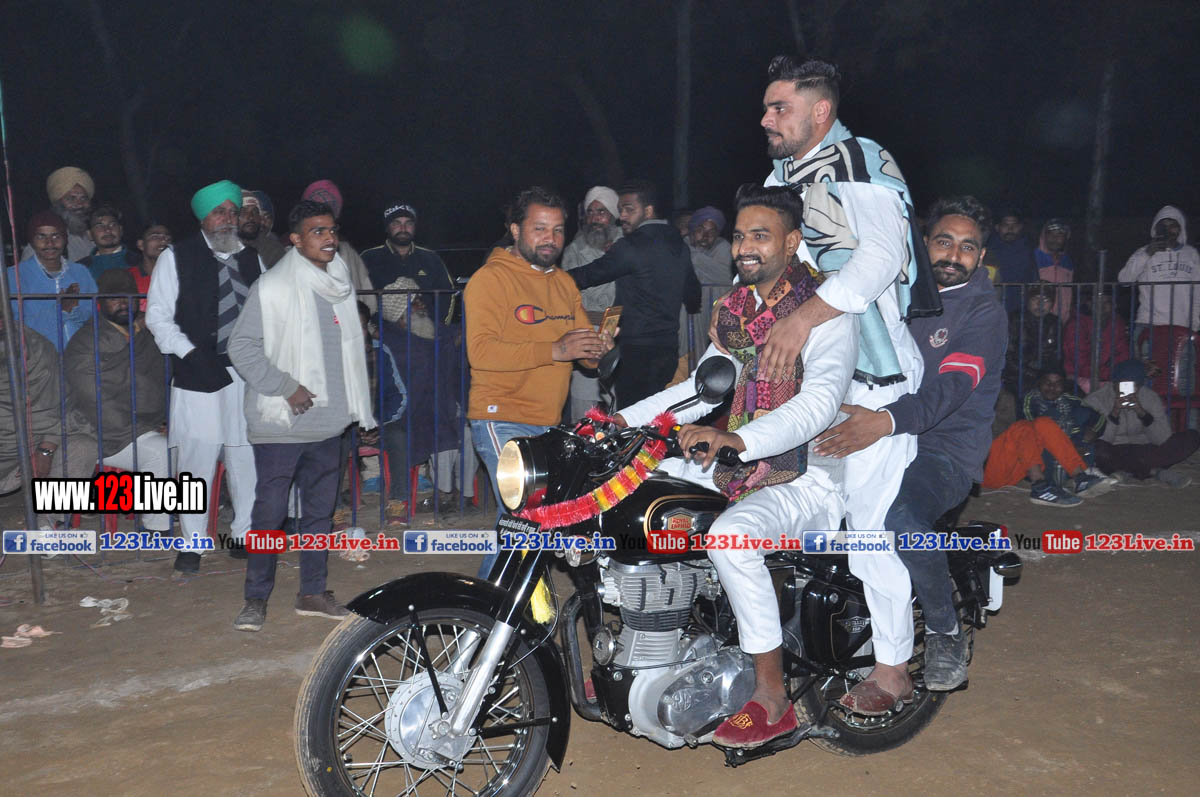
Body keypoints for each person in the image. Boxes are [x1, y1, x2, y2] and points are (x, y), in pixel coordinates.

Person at [618, 185, 857, 748]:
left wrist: (736, 439)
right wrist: (616, 422)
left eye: (761, 236)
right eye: (741, 235)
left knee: (731, 539)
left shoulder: (824, 310)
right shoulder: (736, 312)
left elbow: (819, 404)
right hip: (738, 461)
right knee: (639, 499)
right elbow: (700, 390)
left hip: (808, 472)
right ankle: (644, 653)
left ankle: (772, 696)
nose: (745, 246)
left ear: (791, 243)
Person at [748, 55, 939, 686]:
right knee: (797, 505)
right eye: (767, 107)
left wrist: (800, 321)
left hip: (874, 377)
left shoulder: (858, 161)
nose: (766, 119)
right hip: (815, 374)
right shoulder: (781, 176)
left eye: (781, 108)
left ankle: (893, 670)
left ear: (821, 111)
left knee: (868, 526)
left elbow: (880, 259)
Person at [814, 196, 1006, 709]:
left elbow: (949, 390)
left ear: (981, 255)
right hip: (879, 431)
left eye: (968, 247)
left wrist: (884, 421)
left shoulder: (983, 313)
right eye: (944, 241)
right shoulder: (896, 292)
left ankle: (944, 632)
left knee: (900, 521)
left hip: (940, 450)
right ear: (923, 244)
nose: (954, 255)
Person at [228, 200, 375, 632]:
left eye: (332, 230)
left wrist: (352, 406)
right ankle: (255, 598)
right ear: (295, 239)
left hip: (328, 421)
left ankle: (312, 592)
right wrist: (285, 386)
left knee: (318, 513)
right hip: (281, 423)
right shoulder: (273, 287)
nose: (329, 238)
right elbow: (241, 347)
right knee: (269, 515)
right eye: (317, 231)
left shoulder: (339, 283)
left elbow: (347, 355)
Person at [465, 187, 613, 570]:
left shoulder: (564, 283)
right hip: (500, 415)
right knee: (526, 515)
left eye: (558, 230)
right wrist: (555, 350)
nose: (551, 238)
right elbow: (480, 352)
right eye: (540, 229)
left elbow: (583, 356)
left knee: (528, 522)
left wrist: (595, 349)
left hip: (548, 423)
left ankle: (506, 602)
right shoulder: (489, 280)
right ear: (515, 230)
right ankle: (494, 602)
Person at [146, 180, 263, 574]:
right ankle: (192, 542)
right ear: (202, 217)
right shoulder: (175, 257)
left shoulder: (253, 258)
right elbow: (158, 317)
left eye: (232, 212)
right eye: (219, 212)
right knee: (197, 458)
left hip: (246, 371)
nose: (227, 219)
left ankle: (244, 534)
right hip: (197, 371)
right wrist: (191, 354)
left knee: (245, 454)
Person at [363, 201, 471, 511]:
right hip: (387, 335)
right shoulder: (370, 258)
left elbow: (448, 298)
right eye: (396, 222)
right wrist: (371, 326)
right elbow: (359, 296)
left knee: (448, 410)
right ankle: (376, 473)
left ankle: (438, 482)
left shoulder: (430, 259)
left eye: (408, 222)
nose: (403, 228)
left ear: (415, 226)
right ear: (387, 227)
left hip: (426, 335)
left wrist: (439, 329)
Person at [568, 180, 702, 405]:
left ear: (648, 211)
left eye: (629, 209)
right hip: (668, 347)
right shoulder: (678, 244)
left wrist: (550, 279)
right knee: (658, 413)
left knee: (631, 415)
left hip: (635, 351)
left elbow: (588, 275)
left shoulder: (631, 246)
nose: (622, 216)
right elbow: (693, 294)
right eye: (620, 209)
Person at [63, 269, 172, 537]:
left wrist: (168, 420)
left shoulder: (147, 336)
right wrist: (146, 429)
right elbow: (94, 401)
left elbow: (164, 382)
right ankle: (155, 528)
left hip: (145, 426)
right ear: (100, 303)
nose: (123, 303)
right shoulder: (85, 341)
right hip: (100, 433)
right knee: (160, 451)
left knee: (194, 441)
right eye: (114, 298)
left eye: (128, 297)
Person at [0, 313, 97, 528]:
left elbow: (62, 406)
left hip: (36, 440)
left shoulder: (34, 347)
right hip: (5, 451)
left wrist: (46, 448)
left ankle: (47, 523)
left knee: (83, 446)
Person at [1117, 205, 1200, 397]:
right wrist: (1148, 253)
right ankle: (1143, 414)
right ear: (1156, 228)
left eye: (1173, 225)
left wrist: (1194, 324)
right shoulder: (1143, 252)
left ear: (1180, 229)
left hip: (1182, 326)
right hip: (1148, 324)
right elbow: (1124, 280)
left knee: (1183, 378)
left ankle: (1184, 416)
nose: (1168, 229)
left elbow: (1198, 292)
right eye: (1164, 225)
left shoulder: (1191, 254)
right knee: (1144, 377)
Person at [1085, 359, 1200, 487]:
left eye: (1135, 385)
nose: (1129, 389)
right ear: (1114, 382)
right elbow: (1102, 440)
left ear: (1140, 385)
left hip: (1145, 449)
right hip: (1116, 449)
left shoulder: (1150, 397)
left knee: (1192, 437)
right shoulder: (1096, 400)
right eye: (1123, 384)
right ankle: (1154, 472)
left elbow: (1163, 438)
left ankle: (1127, 471)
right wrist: (1114, 413)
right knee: (1097, 451)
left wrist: (1142, 413)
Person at [563, 186, 622, 418]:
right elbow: (566, 295)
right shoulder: (574, 250)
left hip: (621, 334)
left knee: (622, 410)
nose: (595, 218)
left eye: (602, 212)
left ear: (613, 215)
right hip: (585, 332)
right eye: (591, 212)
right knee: (583, 411)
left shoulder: (628, 247)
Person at [8, 210, 98, 351]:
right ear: (31, 241)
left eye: (56, 236)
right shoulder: (14, 276)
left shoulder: (80, 272)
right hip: (37, 359)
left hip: (82, 356)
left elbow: (94, 317)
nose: (49, 243)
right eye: (41, 236)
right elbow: (16, 327)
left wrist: (72, 310)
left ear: (65, 239)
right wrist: (60, 310)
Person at [301, 180, 376, 314]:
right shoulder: (292, 252)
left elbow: (368, 300)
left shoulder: (347, 252)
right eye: (316, 209)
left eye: (327, 209)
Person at [21, 167, 96, 263]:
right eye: (71, 199)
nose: (79, 204)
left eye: (84, 198)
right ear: (58, 203)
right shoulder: (45, 241)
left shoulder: (90, 236)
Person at [1062, 288, 1130, 393]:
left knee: (1129, 386)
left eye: (1107, 302)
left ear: (1114, 305)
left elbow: (1122, 353)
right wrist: (1110, 374)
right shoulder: (1077, 324)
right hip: (1079, 375)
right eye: (1098, 302)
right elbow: (1079, 361)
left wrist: (1116, 373)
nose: (1102, 306)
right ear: (1089, 303)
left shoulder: (1117, 322)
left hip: (1107, 375)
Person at [1002, 282, 1062, 395]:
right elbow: (1007, 357)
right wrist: (1035, 375)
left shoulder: (1054, 322)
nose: (1040, 304)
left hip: (1045, 377)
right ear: (1028, 301)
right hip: (1017, 377)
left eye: (1046, 300)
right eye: (1035, 299)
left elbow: (1057, 355)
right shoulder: (1014, 320)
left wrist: (1050, 377)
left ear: (1052, 304)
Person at [987, 208, 1037, 312]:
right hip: (993, 307)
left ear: (1020, 227)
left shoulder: (1028, 251)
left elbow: (1034, 278)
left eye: (1014, 225)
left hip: (1021, 309)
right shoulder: (988, 252)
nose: (1010, 229)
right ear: (997, 227)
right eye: (1005, 225)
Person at [80, 205, 141, 280]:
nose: (108, 230)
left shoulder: (140, 263)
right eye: (100, 226)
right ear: (89, 234)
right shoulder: (80, 269)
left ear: (121, 230)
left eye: (113, 225)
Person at [1034, 218, 1075, 322]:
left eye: (1059, 234)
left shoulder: (1068, 262)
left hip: (1061, 320)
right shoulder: (1033, 257)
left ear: (1066, 238)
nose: (1055, 238)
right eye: (1050, 234)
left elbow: (1068, 293)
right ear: (1044, 236)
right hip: (1037, 317)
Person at [237, 190, 286, 267]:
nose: (251, 217)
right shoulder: (223, 245)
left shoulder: (272, 250)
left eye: (255, 212)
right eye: (243, 211)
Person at [130, 223, 173, 302]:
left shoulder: (180, 276)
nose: (164, 241)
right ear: (141, 244)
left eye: (168, 238)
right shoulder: (129, 277)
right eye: (155, 237)